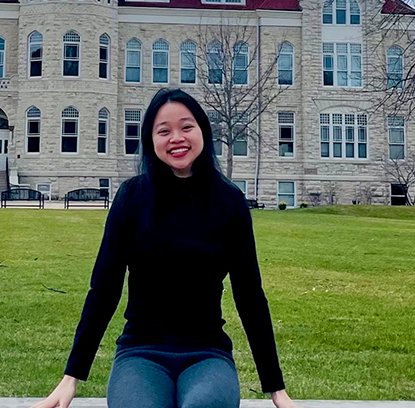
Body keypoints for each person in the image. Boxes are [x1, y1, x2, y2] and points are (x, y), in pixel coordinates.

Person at [30, 88, 296, 408]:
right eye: (164, 130)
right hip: (140, 354)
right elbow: (104, 289)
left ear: (202, 131)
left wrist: (276, 390)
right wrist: (70, 378)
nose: (176, 138)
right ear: (150, 140)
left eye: (186, 127)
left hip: (207, 355)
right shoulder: (133, 197)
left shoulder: (229, 202)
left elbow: (250, 296)